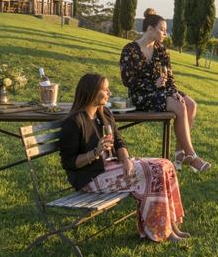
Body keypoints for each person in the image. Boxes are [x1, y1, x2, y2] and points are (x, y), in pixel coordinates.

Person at [58, 73, 190, 242]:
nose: (109, 93)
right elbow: (69, 163)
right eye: (105, 90)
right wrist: (95, 153)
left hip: (111, 167)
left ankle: (171, 225)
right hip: (91, 178)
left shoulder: (103, 113)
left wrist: (126, 160)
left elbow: (119, 142)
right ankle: (163, 230)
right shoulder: (75, 122)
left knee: (166, 165)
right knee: (155, 171)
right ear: (91, 92)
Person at [119, 8, 212, 173]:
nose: (165, 33)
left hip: (161, 92)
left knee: (190, 104)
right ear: (150, 29)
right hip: (141, 96)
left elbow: (169, 76)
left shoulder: (161, 50)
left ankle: (179, 153)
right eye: (162, 29)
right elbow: (128, 81)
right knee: (179, 106)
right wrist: (152, 85)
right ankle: (192, 156)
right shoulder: (130, 50)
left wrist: (173, 91)